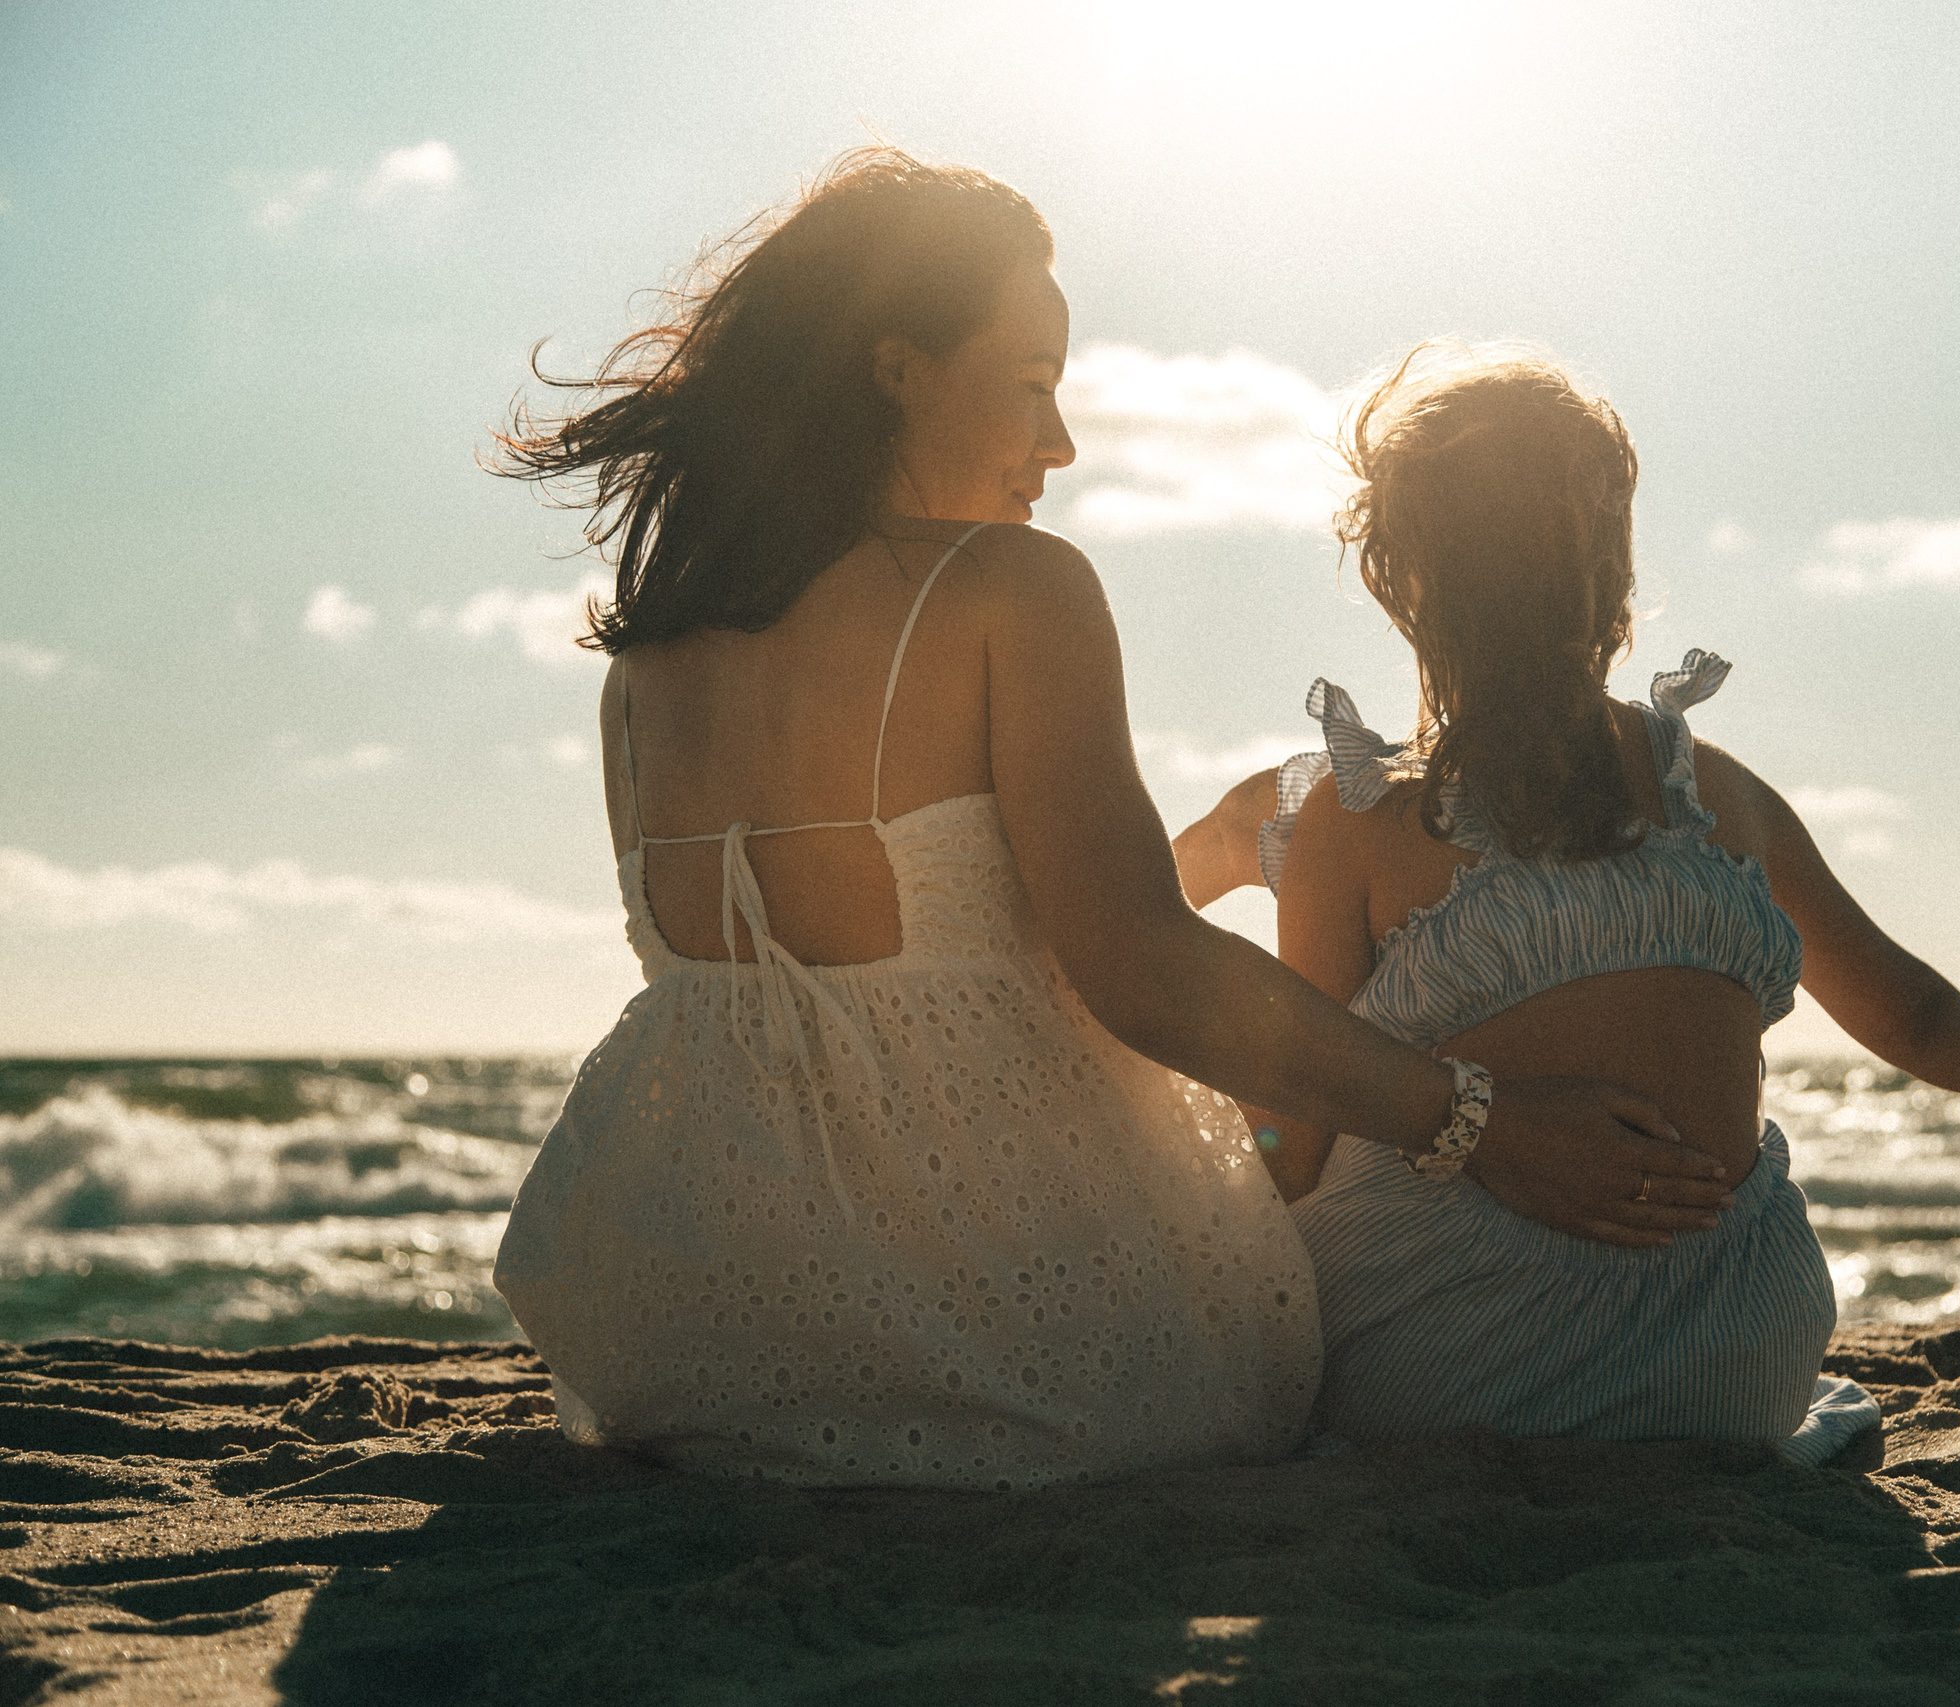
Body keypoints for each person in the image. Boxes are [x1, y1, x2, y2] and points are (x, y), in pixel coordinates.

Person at [487, 153, 1730, 1491]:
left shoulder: (644, 672)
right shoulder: (1012, 587)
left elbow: (836, 990)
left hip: (678, 1323)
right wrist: (1479, 1118)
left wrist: (1237, 848)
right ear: (896, 368)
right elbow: (1139, 965)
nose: (1062, 442)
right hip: (1001, 1336)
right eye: (1032, 382)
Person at [1175, 345, 1960, 1462]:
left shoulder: (1358, 824)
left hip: (1446, 1363)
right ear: (1612, 569)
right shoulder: (1717, 796)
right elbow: (1899, 1000)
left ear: (1403, 583)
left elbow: (1295, 1135)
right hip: (1736, 1360)